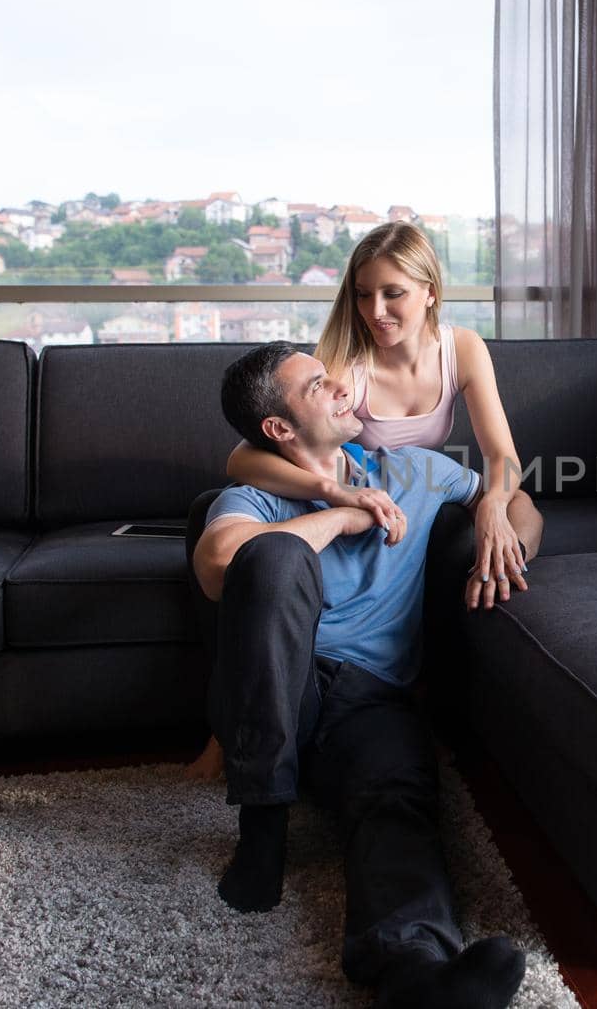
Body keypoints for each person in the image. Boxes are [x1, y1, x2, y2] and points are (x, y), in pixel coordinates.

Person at [192, 341, 543, 1008]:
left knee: (396, 800)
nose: (340, 387)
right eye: (317, 386)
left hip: (369, 702)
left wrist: (504, 532)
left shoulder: (412, 469)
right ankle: (262, 829)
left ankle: (417, 976)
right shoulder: (256, 496)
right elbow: (218, 563)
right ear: (280, 429)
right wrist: (344, 513)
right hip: (278, 687)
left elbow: (521, 501)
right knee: (270, 560)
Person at [186, 220, 528, 780]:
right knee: (212, 508)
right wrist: (336, 493)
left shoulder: (462, 348)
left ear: (430, 292)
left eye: (393, 293)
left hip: (419, 497)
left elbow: (504, 459)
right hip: (353, 501)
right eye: (364, 294)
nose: (376, 310)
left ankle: (417, 705)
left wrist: (493, 505)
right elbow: (241, 460)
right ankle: (229, 721)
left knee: (459, 542)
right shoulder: (345, 360)